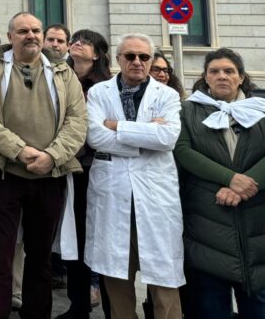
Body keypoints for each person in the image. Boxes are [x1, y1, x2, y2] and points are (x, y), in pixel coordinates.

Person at [0, 12, 87, 319]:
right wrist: (20, 151)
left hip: (50, 175)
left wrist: (52, 156)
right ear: (10, 37)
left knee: (40, 257)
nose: (31, 35)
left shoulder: (63, 73)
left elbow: (77, 121)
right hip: (4, 173)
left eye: (36, 30)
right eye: (23, 31)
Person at [85, 33, 184, 318]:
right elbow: (95, 137)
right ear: (118, 60)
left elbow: (167, 138)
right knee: (117, 279)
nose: (137, 62)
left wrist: (116, 125)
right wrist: (145, 137)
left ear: (151, 60)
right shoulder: (99, 92)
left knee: (164, 279)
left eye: (144, 57)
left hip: (154, 198)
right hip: (113, 195)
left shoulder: (167, 95)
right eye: (130, 56)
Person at [175, 48, 265, 318]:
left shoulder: (261, 110)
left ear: (241, 78)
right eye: (214, 71)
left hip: (256, 227)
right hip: (206, 225)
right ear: (205, 77)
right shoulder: (187, 111)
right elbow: (182, 151)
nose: (222, 76)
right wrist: (230, 179)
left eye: (229, 71)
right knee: (210, 307)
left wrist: (247, 185)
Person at [56, 29, 112, 319]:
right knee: (73, 238)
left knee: (96, 238)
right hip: (65, 167)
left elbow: (102, 127)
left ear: (98, 54)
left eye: (86, 42)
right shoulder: (58, 77)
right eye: (75, 39)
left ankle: (108, 303)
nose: (78, 43)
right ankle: (77, 305)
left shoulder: (105, 86)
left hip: (93, 169)